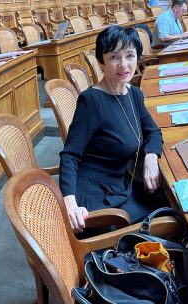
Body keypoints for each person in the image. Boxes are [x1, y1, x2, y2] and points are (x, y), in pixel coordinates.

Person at [59, 25, 165, 232]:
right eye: (114, 57)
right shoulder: (92, 101)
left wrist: (152, 156)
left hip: (121, 185)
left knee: (167, 205)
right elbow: (70, 155)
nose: (123, 65)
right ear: (101, 62)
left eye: (130, 56)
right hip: (96, 197)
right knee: (169, 217)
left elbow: (153, 132)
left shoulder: (133, 94)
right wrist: (70, 204)